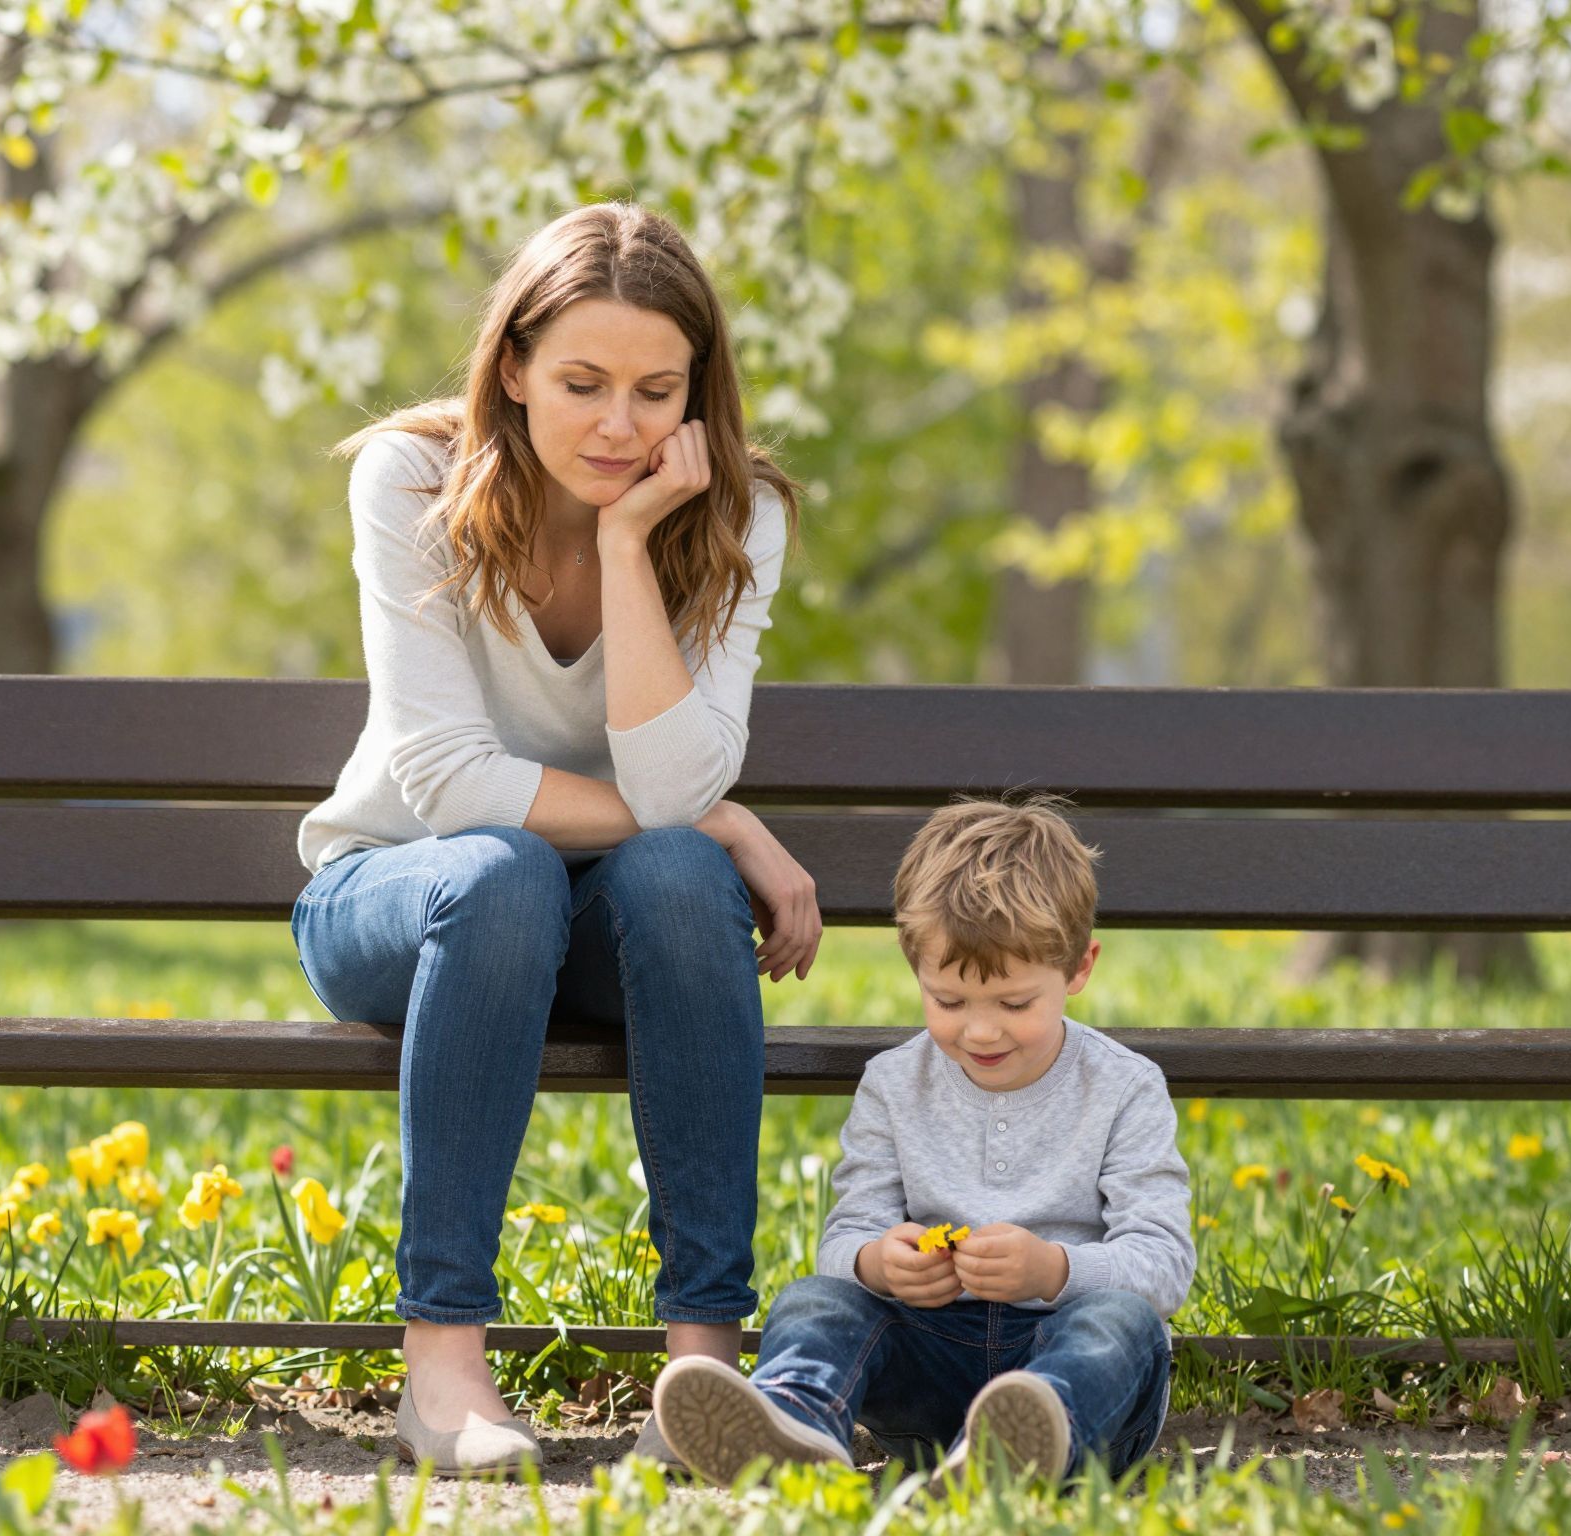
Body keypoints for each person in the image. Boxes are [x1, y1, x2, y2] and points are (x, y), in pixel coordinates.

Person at [291, 201, 824, 1475]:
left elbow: (677, 778)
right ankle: (444, 1372)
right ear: (513, 367)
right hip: (399, 898)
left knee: (679, 869)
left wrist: (631, 545)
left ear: (698, 393)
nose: (618, 425)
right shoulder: (412, 480)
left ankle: (700, 1373)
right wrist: (726, 814)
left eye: (655, 391)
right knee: (509, 866)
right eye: (580, 383)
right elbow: (447, 782)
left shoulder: (733, 516)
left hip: (603, 918)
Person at [652, 796, 1193, 1489]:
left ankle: (1028, 1440)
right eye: (948, 1001)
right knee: (814, 1300)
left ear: (1079, 970)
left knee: (1123, 1323)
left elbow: (1164, 1263)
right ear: (917, 974)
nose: (981, 1032)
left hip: (1074, 1378)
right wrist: (879, 1263)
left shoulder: (1125, 1088)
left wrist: (1052, 1270)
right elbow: (845, 1237)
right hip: (929, 1362)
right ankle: (794, 1425)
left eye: (1015, 1004)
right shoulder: (893, 1084)